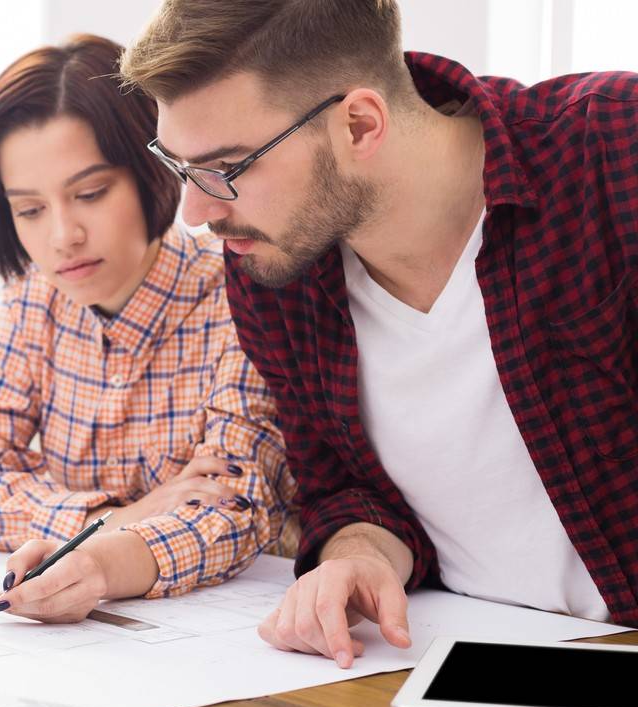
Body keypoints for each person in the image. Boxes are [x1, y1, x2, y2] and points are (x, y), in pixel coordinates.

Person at [120, 0, 638, 666]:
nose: (195, 212)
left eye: (226, 169)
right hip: (443, 666)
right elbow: (345, 491)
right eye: (178, 165)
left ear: (360, 124)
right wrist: (359, 557)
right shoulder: (274, 263)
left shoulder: (612, 150)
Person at [0, 34, 296, 623]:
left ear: (155, 171)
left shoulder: (239, 295)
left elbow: (236, 508)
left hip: (232, 626)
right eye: (29, 209)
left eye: (90, 193)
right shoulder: (32, 301)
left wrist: (99, 559)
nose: (62, 236)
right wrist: (122, 517)